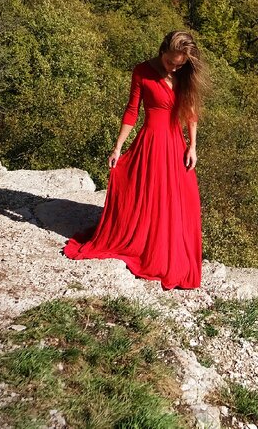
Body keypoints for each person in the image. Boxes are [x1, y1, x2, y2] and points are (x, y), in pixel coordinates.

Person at [64, 30, 208, 289]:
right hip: (151, 142)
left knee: (180, 200)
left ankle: (167, 243)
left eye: (180, 64)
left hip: (176, 145)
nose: (174, 67)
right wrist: (118, 147)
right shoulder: (141, 71)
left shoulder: (183, 74)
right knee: (150, 195)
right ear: (162, 51)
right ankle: (148, 245)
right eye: (170, 62)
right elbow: (132, 111)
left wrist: (193, 146)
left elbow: (191, 112)